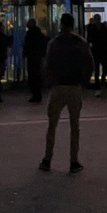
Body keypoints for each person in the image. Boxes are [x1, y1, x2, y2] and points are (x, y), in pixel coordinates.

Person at [39, 13, 94, 174]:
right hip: (74, 86)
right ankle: (73, 160)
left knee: (52, 125)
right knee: (74, 125)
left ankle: (47, 159)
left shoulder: (53, 43)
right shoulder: (80, 42)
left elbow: (47, 64)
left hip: (57, 86)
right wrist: (84, 82)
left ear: (61, 24)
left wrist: (49, 83)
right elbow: (90, 63)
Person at [24, 20, 48, 103]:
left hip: (33, 57)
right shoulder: (38, 33)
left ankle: (36, 94)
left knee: (33, 75)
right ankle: (37, 94)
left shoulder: (31, 34)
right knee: (36, 75)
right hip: (36, 57)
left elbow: (28, 45)